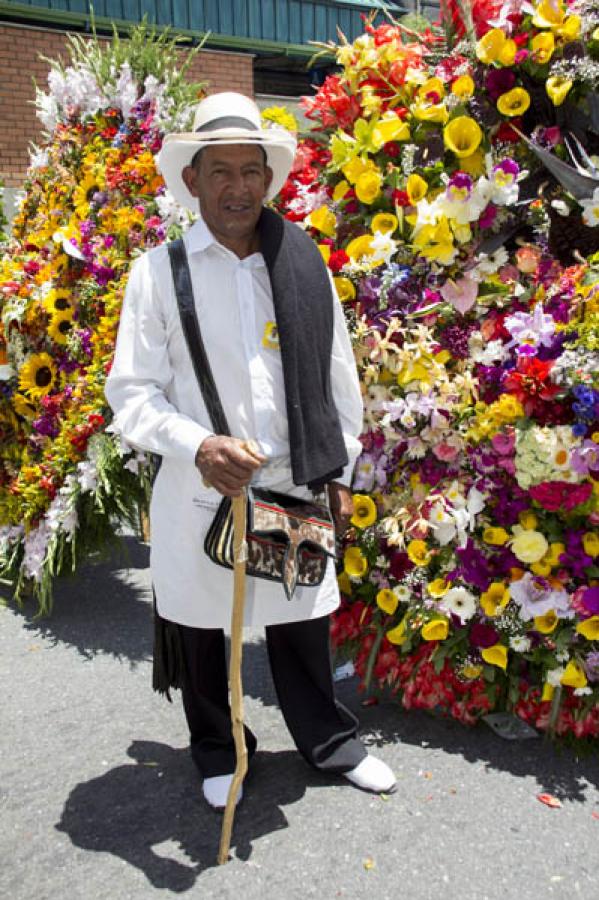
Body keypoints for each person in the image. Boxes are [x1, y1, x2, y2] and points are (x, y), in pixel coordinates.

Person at [105, 92, 396, 809]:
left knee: (300, 618)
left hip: (293, 481)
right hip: (204, 487)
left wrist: (341, 466)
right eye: (219, 171)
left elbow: (338, 379)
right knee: (204, 627)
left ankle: (328, 741)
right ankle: (218, 746)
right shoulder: (157, 274)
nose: (237, 187)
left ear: (267, 180)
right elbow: (131, 392)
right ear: (193, 180)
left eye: (250, 171)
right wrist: (197, 444)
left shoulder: (302, 262)